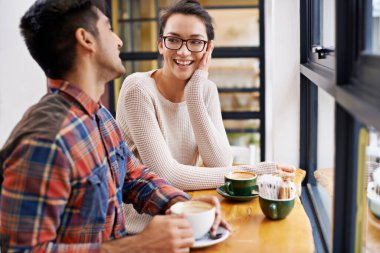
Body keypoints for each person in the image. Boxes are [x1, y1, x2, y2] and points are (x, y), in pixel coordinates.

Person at [0, 0, 229, 252]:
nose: (119, 40)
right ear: (86, 40)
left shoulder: (100, 116)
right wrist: (137, 246)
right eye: (109, 28)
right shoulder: (46, 139)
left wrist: (179, 204)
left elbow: (134, 177)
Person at [116, 0, 295, 234]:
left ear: (208, 48)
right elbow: (166, 175)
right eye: (173, 40)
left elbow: (220, 163)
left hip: (190, 214)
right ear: (160, 44)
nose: (183, 51)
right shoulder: (137, 89)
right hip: (144, 226)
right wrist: (257, 171)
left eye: (195, 42)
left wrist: (194, 94)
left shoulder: (206, 89)